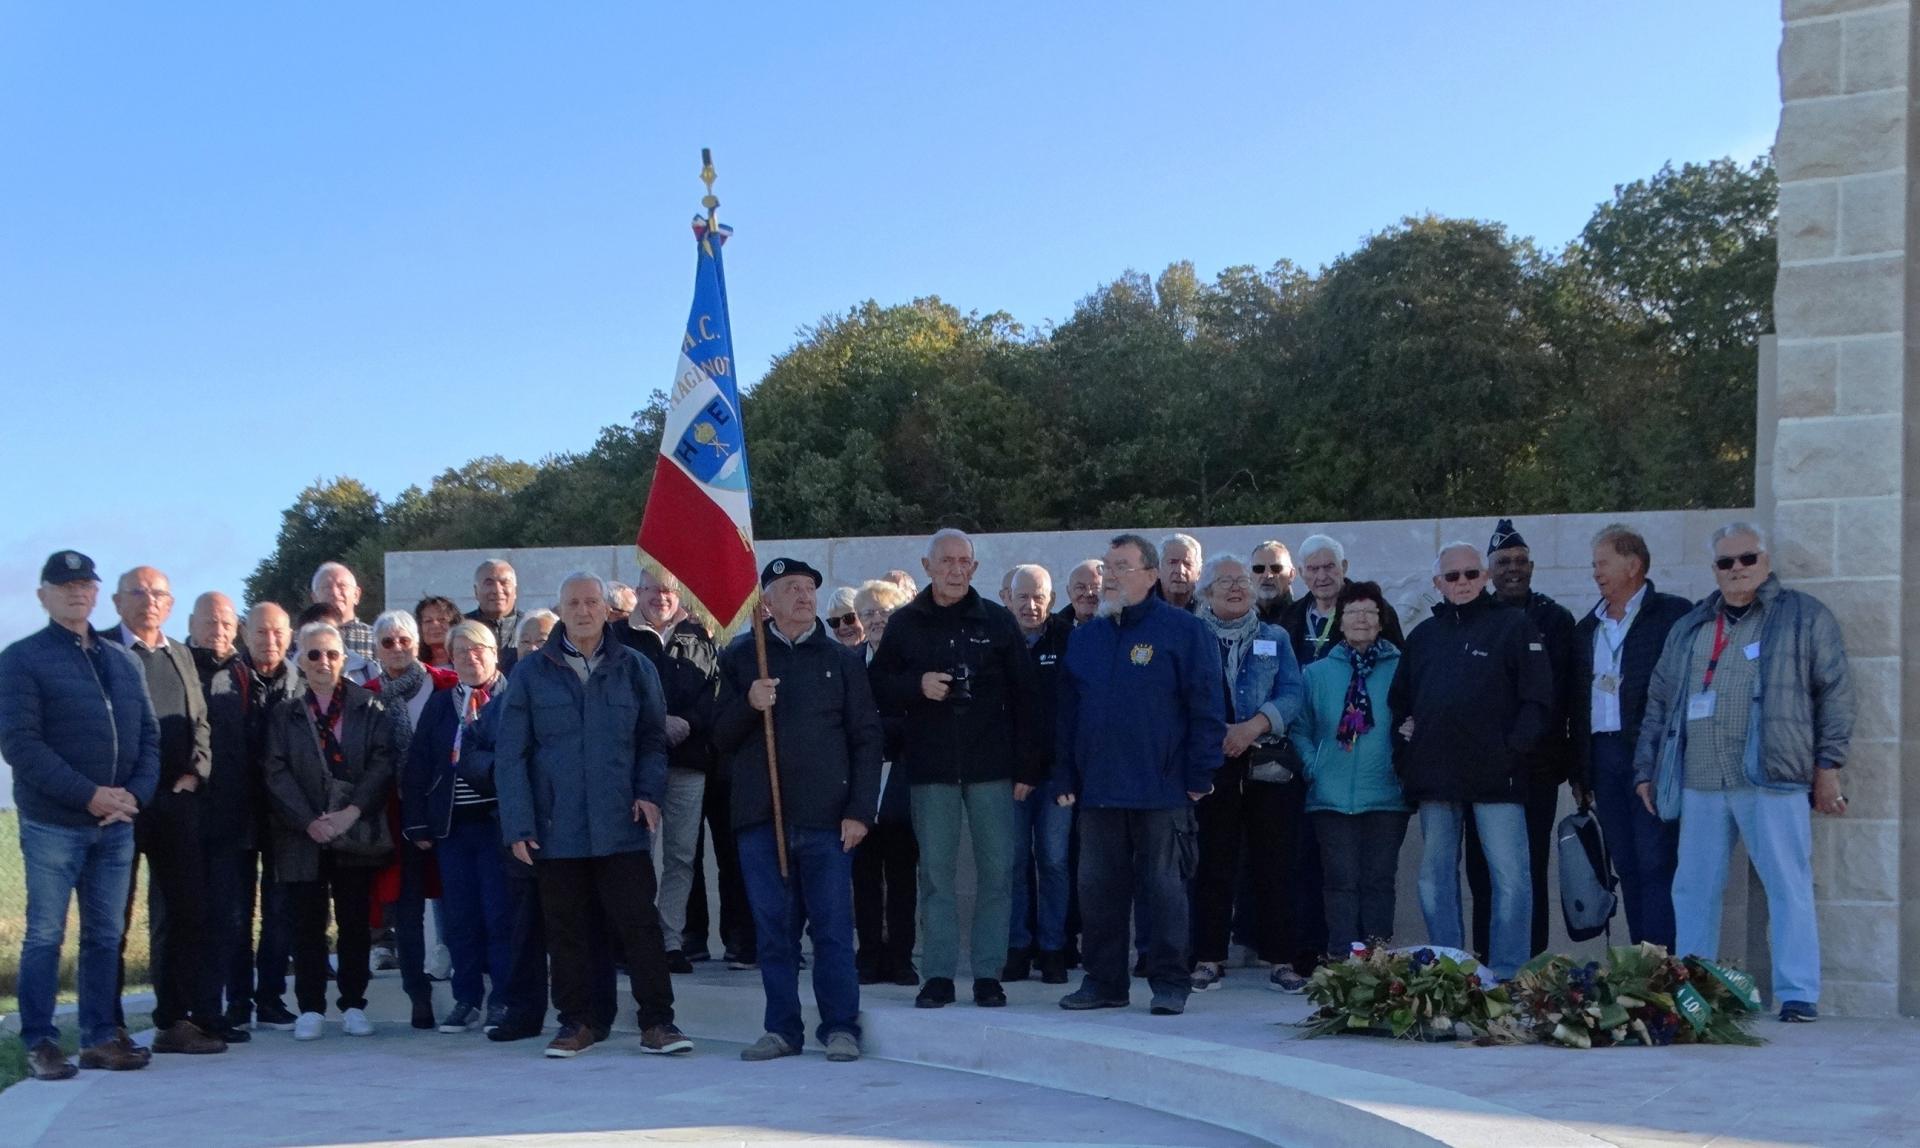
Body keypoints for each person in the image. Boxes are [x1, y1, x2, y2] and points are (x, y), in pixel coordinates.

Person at [1634, 522, 1852, 1023]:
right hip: (1701, 782)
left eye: (1746, 559)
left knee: (1787, 884)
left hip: (1771, 778)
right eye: (1725, 563)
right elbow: (1660, 700)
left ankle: (1798, 993)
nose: (1737, 570)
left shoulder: (1802, 617)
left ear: (1766, 562)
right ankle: (1695, 992)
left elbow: (1835, 693)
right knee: (1693, 889)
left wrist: (1829, 767)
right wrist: (1646, 768)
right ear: (1714, 570)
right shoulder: (1690, 626)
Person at [493, 572, 692, 1058]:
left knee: (638, 927)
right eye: (573, 603)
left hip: (621, 824)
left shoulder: (636, 668)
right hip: (556, 830)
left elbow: (651, 739)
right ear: (560, 611)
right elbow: (511, 755)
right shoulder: (530, 674)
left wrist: (648, 792)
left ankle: (658, 1023)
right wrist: (519, 824)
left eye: (591, 602)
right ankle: (578, 1022)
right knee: (566, 930)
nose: (583, 611)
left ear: (607, 610)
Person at [714, 557, 883, 1063]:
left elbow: (866, 739)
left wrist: (860, 811)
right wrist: (749, 703)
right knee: (774, 930)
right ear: (767, 601)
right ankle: (782, 1029)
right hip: (763, 820)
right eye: (791, 588)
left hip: (828, 820)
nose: (805, 596)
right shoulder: (744, 657)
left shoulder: (842, 660)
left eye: (809, 588)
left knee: (832, 929)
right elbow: (718, 736)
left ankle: (840, 1028)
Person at [0, 551, 159, 1079]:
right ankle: (43, 1042)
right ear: (43, 595)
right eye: (63, 585)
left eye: (84, 584)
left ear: (96, 594)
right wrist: (88, 794)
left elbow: (148, 739)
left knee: (104, 936)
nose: (76, 592)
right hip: (54, 823)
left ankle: (100, 1037)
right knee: (45, 934)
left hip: (116, 825)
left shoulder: (123, 661)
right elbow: (21, 744)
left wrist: (132, 795)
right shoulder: (22, 659)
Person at [870, 529, 1043, 1010]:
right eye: (945, 560)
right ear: (927, 567)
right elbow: (876, 686)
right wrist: (916, 685)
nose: (954, 568)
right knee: (937, 877)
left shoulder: (998, 620)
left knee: (997, 872)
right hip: (931, 769)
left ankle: (988, 974)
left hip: (992, 767)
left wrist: (1029, 766)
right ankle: (939, 975)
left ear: (974, 567)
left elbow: (1028, 697)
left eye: (963, 560)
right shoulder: (906, 623)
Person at [1055, 534, 1226, 1016]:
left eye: (1122, 567)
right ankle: (1103, 982)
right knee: (1098, 891)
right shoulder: (1085, 637)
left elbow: (1206, 707)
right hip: (1099, 791)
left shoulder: (1183, 631)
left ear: (1150, 575)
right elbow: (1067, 714)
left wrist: (1199, 772)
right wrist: (1065, 775)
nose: (1109, 577)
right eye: (1107, 568)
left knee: (1166, 891)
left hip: (1163, 788)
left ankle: (1170, 983)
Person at [1389, 543, 1553, 982]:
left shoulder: (1515, 626)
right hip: (1435, 779)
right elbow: (1399, 703)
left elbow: (1538, 701)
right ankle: (1449, 970)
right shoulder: (1423, 637)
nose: (1461, 583)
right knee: (1434, 880)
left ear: (1484, 577)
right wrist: (1406, 746)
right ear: (1437, 584)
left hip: (1498, 778)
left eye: (1470, 574)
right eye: (1452, 576)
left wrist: (1511, 752)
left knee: (1512, 879)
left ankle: (1508, 972)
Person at [104, 566, 224, 1054]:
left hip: (176, 805)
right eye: (138, 592)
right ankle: (107, 1026)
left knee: (185, 912)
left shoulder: (180, 655)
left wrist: (197, 771)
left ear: (170, 605)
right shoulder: (103, 651)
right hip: (120, 806)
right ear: (116, 602)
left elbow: (200, 723)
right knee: (111, 919)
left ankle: (175, 1020)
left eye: (157, 594)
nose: (148, 601)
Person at [262, 621, 400, 1041]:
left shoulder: (369, 706)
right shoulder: (285, 713)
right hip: (303, 833)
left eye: (332, 654)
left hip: (354, 831)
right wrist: (308, 820)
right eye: (314, 654)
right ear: (300, 661)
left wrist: (351, 812)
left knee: (355, 920)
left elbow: (383, 762)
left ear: (345, 659)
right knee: (307, 922)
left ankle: (354, 1003)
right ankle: (310, 1006)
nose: (323, 662)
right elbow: (275, 769)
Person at [1568, 524, 1692, 950]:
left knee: (1656, 859)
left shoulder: (1673, 616)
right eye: (1594, 565)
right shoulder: (1588, 628)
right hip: (1604, 757)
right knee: (1626, 861)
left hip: (1650, 756)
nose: (1595, 573)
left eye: (1603, 563)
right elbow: (1577, 704)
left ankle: (1664, 966)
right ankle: (1641, 965)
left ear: (1633, 565)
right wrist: (1580, 771)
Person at [1187, 556, 1306, 994]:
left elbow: (1292, 692)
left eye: (1242, 581)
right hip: (1212, 761)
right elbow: (1178, 693)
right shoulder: (1191, 637)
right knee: (1213, 864)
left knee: (1274, 863)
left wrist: (1253, 726)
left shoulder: (1274, 638)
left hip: (1265, 762)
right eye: (1225, 582)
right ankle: (1208, 958)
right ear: (1206, 593)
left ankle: (1280, 960)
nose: (1236, 588)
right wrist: (1218, 733)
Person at [1468, 519, 1577, 961]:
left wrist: (1575, 766)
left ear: (1531, 566)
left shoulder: (1556, 620)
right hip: (1483, 769)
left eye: (1520, 561)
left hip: (1537, 768)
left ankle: (1530, 963)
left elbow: (1573, 697)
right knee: (1481, 870)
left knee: (1529, 867)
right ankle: (1483, 962)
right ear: (1489, 571)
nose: (1513, 568)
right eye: (1503, 562)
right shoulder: (1476, 616)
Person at [402, 619, 516, 1034]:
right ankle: (466, 998)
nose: (471, 657)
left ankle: (503, 998)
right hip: (452, 829)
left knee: (499, 916)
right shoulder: (441, 703)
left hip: (499, 826)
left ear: (495, 653)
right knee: (460, 919)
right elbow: (418, 765)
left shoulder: (512, 696)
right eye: (462, 651)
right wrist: (417, 823)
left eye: (479, 648)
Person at [1289, 581, 1411, 956]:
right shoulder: (1317, 673)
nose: (1361, 619)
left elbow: (1418, 714)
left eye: (1369, 612)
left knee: (1378, 881)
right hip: (1331, 795)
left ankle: (1377, 963)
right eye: (1353, 612)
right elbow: (1300, 727)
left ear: (1381, 619)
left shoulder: (1403, 668)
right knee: (1339, 882)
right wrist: (1315, 767)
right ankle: (1343, 958)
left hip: (1386, 794)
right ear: (1339, 622)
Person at [614, 567, 721, 974]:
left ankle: (670, 940)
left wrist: (687, 723)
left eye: (670, 590)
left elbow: (713, 691)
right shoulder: (619, 638)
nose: (662, 597)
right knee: (637, 856)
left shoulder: (699, 638)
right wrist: (656, 725)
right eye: (653, 589)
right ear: (637, 592)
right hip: (636, 767)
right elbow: (615, 697)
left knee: (680, 856)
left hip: (688, 761)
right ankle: (636, 940)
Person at [365, 609, 457, 1028]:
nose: (398, 648)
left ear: (416, 642)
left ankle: (468, 987)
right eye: (388, 642)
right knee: (407, 908)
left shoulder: (446, 684)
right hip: (395, 814)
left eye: (404, 640)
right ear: (377, 650)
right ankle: (416, 993)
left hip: (446, 810)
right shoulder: (366, 695)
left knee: (456, 898)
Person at [187, 591, 258, 1042]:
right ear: (191, 622)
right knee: (183, 917)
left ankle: (217, 1012)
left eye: (227, 623)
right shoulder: (179, 666)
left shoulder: (242, 671)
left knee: (229, 918)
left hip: (235, 819)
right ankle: (180, 1014)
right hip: (185, 816)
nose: (219, 629)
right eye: (210, 621)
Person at [1002, 564, 1075, 985]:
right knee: (1012, 865)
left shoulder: (1069, 640)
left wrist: (1066, 774)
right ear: (1008, 598)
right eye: (1022, 597)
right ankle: (1016, 947)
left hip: (1055, 779)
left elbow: (1071, 715)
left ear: (1051, 599)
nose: (1031, 605)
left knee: (1053, 861)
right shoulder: (996, 642)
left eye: (1039, 597)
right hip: (1009, 778)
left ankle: (1052, 948)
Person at [851, 578, 918, 985]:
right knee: (864, 875)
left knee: (901, 875)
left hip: (901, 779)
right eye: (869, 613)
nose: (876, 620)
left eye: (884, 613)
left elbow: (914, 721)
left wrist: (876, 733)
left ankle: (901, 958)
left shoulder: (910, 665)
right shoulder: (849, 662)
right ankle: (869, 954)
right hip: (860, 782)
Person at [241, 603, 302, 1031]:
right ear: (246, 634)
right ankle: (236, 1001)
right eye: (261, 632)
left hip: (287, 817)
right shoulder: (229, 678)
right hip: (236, 814)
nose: (270, 641)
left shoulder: (300, 682)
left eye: (279, 633)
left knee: (281, 912)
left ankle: (271, 997)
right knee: (234, 912)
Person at [1280, 535, 1406, 667]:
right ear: (1302, 573)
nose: (1322, 577)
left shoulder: (1375, 609)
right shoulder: (1290, 615)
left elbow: (1398, 664)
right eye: (1313, 569)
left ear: (1344, 567)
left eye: (1329, 567)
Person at [311, 561, 376, 659]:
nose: (335, 593)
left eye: (342, 586)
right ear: (314, 597)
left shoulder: (377, 639)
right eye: (327, 587)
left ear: (356, 595)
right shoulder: (299, 640)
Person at [467, 559, 524, 662]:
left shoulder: (529, 625)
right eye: (489, 583)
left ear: (515, 590)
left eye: (504, 583)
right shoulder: (461, 626)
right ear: (476, 591)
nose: (497, 590)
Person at [1250, 541, 1296, 624]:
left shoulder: (1305, 617)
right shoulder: (1236, 620)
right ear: (1249, 576)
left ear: (1291, 575)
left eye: (1276, 568)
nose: (1267, 575)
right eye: (1259, 568)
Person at [1158, 533, 1202, 612]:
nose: (1180, 570)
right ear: (1158, 569)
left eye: (1187, 564)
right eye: (1172, 562)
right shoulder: (1141, 606)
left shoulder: (1209, 609)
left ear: (1199, 572)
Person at [415, 595, 462, 668]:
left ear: (453, 624)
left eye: (442, 619)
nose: (435, 625)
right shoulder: (413, 668)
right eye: (428, 621)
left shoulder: (467, 662)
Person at [1058, 559, 1102, 626]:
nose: (1088, 593)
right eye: (1080, 587)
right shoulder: (1052, 631)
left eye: (1095, 587)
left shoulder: (1121, 629)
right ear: (1069, 592)